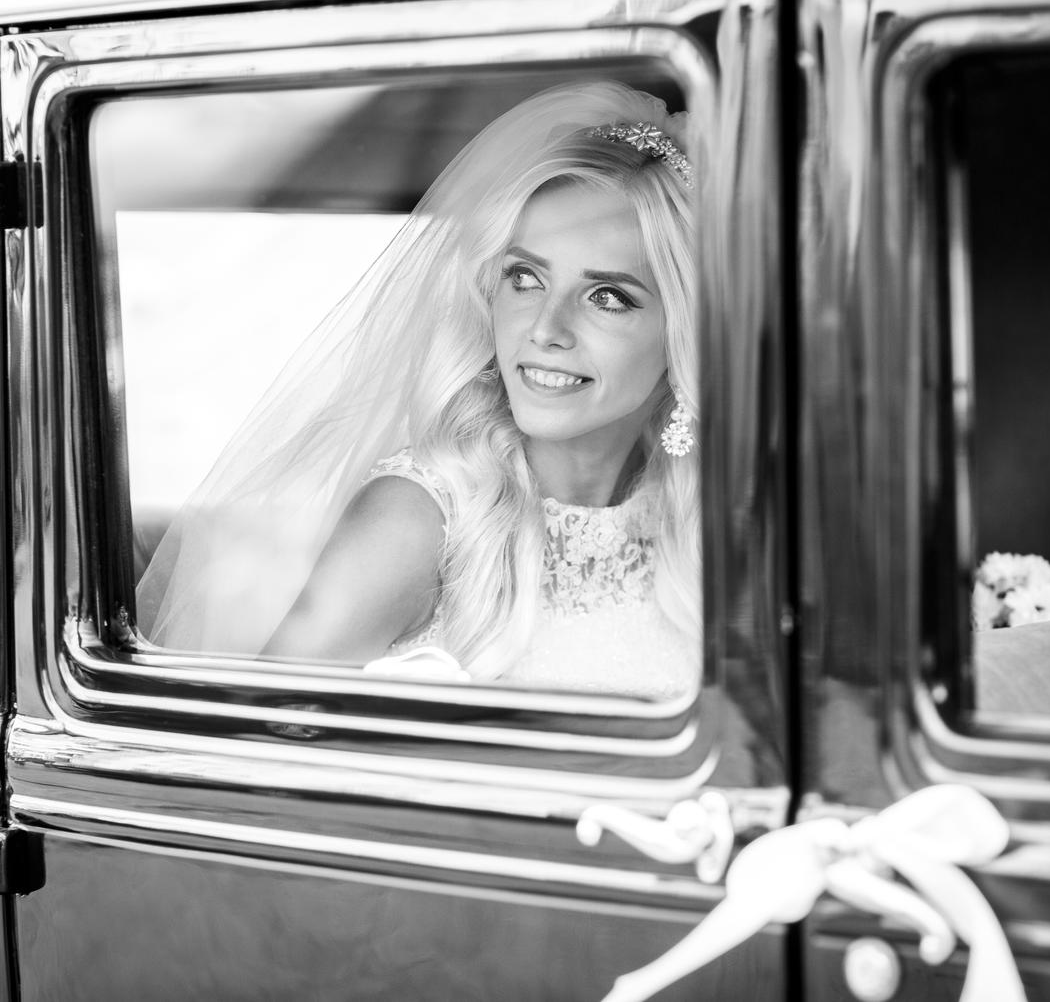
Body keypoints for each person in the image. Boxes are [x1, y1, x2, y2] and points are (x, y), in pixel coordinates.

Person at [136, 80, 700, 698]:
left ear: (685, 329)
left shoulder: (698, 513)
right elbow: (256, 740)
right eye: (524, 277)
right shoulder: (415, 522)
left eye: (606, 296)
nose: (545, 329)